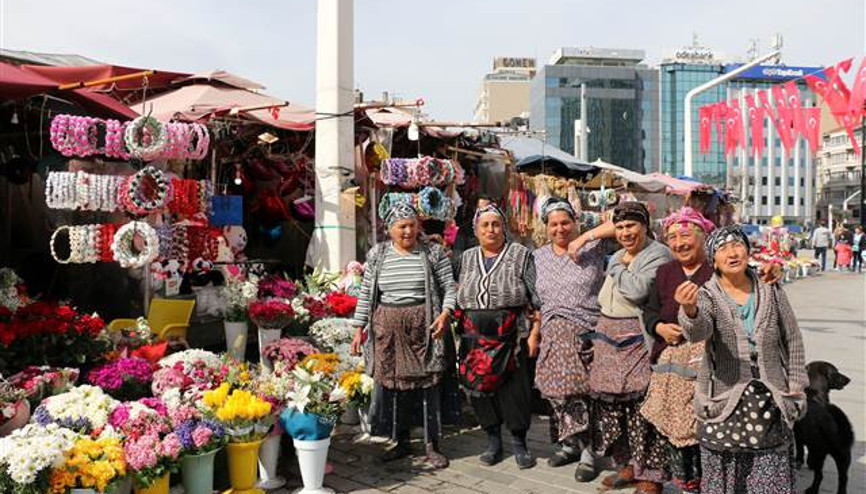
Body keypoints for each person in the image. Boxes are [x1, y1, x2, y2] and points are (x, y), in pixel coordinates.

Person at [677, 225, 807, 494]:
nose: (732, 253)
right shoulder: (707, 295)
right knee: (724, 480)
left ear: (748, 251)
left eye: (737, 245)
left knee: (770, 478)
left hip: (771, 400)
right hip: (724, 401)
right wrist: (689, 310)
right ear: (714, 261)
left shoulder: (771, 289)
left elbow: (792, 339)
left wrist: (796, 387)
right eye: (723, 249)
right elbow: (699, 333)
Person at [350, 203, 456, 469]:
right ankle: (401, 441)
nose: (408, 231)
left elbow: (449, 287)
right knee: (395, 387)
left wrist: (445, 314)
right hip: (388, 331)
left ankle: (432, 445)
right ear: (389, 229)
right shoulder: (378, 254)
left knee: (427, 385)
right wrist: (358, 328)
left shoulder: (432, 252)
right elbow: (366, 293)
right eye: (402, 226)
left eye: (411, 225)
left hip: (424, 330)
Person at [585, 202, 672, 494]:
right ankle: (628, 465)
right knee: (613, 408)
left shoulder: (657, 254)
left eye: (631, 225)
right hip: (608, 335)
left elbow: (637, 290)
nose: (625, 232)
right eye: (620, 227)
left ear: (645, 226)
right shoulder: (620, 254)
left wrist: (614, 264)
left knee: (641, 407)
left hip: (636, 337)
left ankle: (652, 475)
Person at [455, 203, 541, 469]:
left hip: (511, 333)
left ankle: (519, 442)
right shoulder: (466, 257)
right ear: (476, 230)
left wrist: (535, 334)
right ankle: (493, 440)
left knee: (515, 389)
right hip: (473, 334)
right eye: (485, 225)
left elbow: (536, 297)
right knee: (479, 388)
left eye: (496, 224)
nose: (491, 230)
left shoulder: (520, 254)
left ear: (504, 228)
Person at [532, 197, 610, 481]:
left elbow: (622, 223)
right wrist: (535, 332)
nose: (560, 229)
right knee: (555, 392)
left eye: (565, 222)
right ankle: (569, 445)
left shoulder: (593, 247)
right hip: (551, 334)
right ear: (545, 227)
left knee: (582, 393)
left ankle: (589, 453)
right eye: (553, 224)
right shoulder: (538, 257)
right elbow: (535, 301)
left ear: (576, 222)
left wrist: (585, 237)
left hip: (587, 332)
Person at [640, 208, 716, 494]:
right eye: (672, 238)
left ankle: (708, 483)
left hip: (705, 363)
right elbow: (649, 311)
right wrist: (659, 327)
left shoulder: (715, 271)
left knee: (701, 426)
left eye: (685, 236)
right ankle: (683, 483)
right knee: (671, 425)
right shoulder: (665, 272)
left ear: (702, 237)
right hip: (669, 365)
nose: (679, 243)